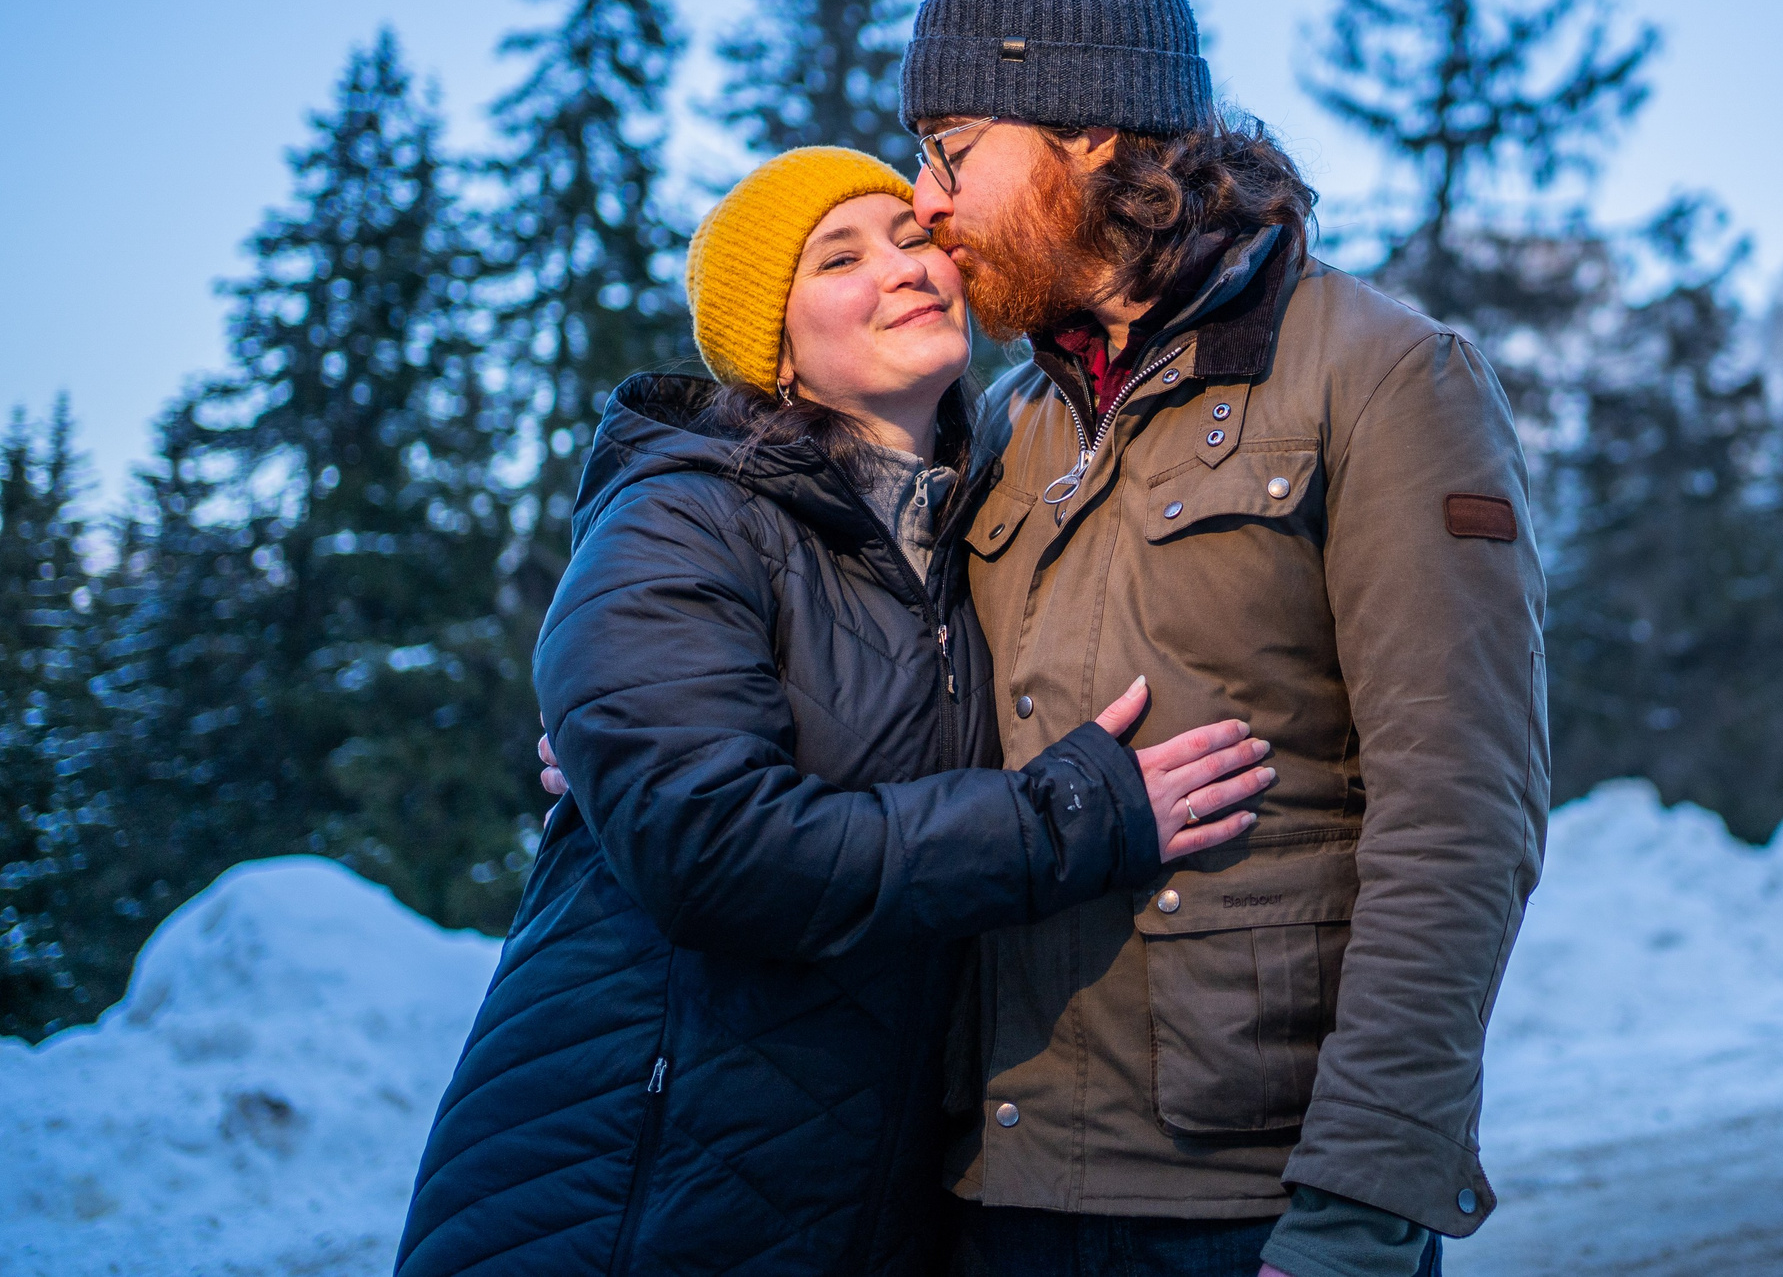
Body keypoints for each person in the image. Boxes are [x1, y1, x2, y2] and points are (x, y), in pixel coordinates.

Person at [395, 148, 1277, 1277]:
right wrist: (1075, 817)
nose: (906, 270)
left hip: (851, 1201)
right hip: (626, 1194)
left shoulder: (975, 545)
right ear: (776, 348)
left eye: (916, 241)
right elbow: (714, 851)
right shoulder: (682, 517)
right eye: (841, 258)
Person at [905, 0, 1550, 1277]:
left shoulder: (1379, 377)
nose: (924, 200)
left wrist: (1360, 1208)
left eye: (952, 152)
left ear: (1082, 129)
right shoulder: (1009, 427)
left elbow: (1459, 815)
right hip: (987, 1190)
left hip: (1243, 1212)